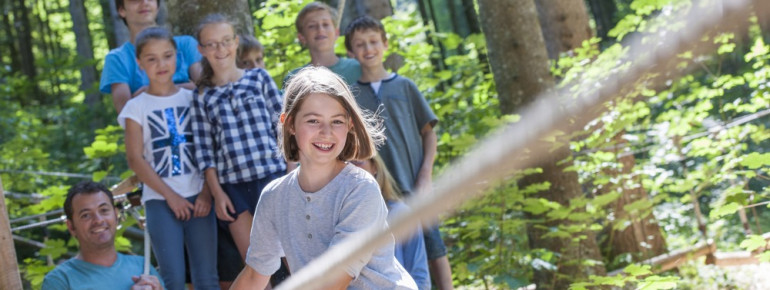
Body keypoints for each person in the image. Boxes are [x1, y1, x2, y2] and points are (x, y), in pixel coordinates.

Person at [230, 66, 416, 290]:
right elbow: (253, 276)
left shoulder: (360, 189)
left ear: (349, 125)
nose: (326, 132)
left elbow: (333, 282)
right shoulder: (274, 197)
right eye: (313, 121)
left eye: (337, 121)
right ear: (289, 123)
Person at [345, 16, 454, 289]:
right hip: (382, 195)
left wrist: (426, 177)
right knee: (394, 255)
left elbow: (429, 132)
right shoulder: (352, 97)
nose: (368, 49)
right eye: (360, 44)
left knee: (434, 249)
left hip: (415, 187)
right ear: (350, 52)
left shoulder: (405, 86)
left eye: (373, 42)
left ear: (385, 44)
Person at [189, 13, 289, 287]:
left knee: (295, 256)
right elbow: (204, 151)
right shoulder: (202, 96)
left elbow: (283, 126)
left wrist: (293, 171)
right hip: (233, 189)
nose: (219, 49)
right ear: (201, 50)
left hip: (274, 176)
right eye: (211, 44)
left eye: (225, 42)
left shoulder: (259, 79)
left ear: (235, 43)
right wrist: (217, 193)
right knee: (256, 265)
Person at [116, 27, 218, 290]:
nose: (161, 64)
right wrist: (171, 197)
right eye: (151, 58)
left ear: (178, 58)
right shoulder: (135, 108)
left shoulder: (194, 98)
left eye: (167, 55)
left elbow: (211, 147)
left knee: (207, 276)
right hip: (160, 201)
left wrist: (207, 192)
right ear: (139, 64)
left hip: (200, 198)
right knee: (172, 278)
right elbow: (135, 159)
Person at [42, 181, 163, 290]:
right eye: (86, 215)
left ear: (116, 216)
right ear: (71, 227)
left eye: (104, 210)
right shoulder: (59, 281)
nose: (98, 220)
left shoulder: (143, 266)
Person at [100, 0, 202, 113]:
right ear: (121, 10)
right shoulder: (117, 59)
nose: (144, 2)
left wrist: (149, 92)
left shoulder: (186, 44)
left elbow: (206, 90)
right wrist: (187, 87)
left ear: (157, 6)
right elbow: (125, 112)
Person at [353, 156, 431, 290]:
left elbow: (420, 275)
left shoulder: (401, 214)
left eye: (359, 162)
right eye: (346, 163)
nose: (353, 169)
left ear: (375, 167)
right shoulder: (331, 216)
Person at [283, 2, 361, 87]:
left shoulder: (358, 68)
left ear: (336, 33)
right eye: (312, 26)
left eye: (325, 24)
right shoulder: (294, 79)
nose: (320, 29)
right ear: (302, 37)